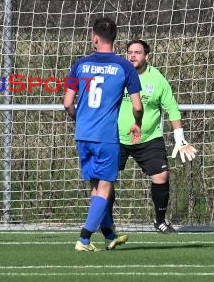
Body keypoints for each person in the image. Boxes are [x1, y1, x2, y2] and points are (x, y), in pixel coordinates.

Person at [63, 16, 143, 252]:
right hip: (106, 136)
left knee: (96, 186)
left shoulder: (79, 65)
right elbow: (137, 106)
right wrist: (137, 123)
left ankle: (109, 234)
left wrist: (82, 120)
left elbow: (68, 103)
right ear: (114, 40)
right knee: (106, 186)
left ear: (95, 38)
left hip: (83, 134)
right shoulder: (124, 67)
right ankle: (84, 239)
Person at [115, 39, 197, 233]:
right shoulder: (119, 74)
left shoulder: (157, 79)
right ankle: (105, 221)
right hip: (117, 137)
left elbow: (172, 108)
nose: (133, 55)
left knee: (161, 175)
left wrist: (179, 137)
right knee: (105, 178)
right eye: (130, 52)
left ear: (147, 56)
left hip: (149, 138)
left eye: (138, 52)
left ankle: (160, 221)